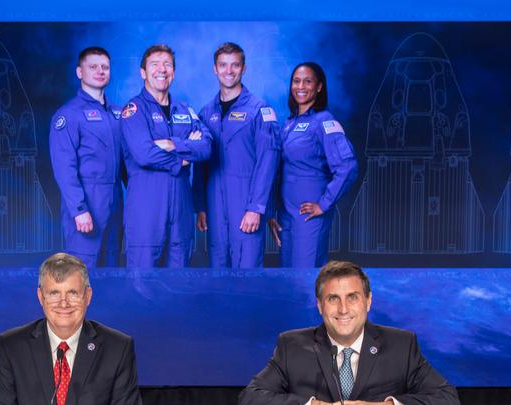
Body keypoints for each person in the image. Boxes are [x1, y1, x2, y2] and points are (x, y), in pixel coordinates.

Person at [237, 260, 459, 405]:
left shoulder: (401, 345)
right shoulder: (292, 345)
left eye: (352, 298)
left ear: (368, 301)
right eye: (333, 299)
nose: (343, 309)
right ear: (320, 305)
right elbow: (250, 400)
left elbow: (447, 400)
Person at [0, 252, 142, 405]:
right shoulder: (12, 347)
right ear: (41, 297)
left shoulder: (117, 348)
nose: (63, 303)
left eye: (72, 293)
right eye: (54, 293)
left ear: (88, 296)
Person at [120, 44, 212, 268]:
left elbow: (206, 146)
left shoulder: (185, 110)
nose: (162, 69)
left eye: (167, 65)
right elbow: (143, 154)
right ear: (143, 72)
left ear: (173, 72)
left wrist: (172, 144)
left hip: (180, 208)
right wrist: (181, 159)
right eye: (154, 64)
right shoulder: (133, 110)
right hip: (146, 209)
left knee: (178, 285)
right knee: (143, 284)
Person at [192, 42, 279, 268]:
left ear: (244, 68)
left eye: (235, 65)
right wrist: (200, 206)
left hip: (245, 203)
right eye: (223, 65)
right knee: (218, 268)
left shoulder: (260, 110)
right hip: (214, 205)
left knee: (247, 271)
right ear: (215, 69)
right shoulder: (205, 112)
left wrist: (256, 208)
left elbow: (267, 162)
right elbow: (200, 165)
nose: (229, 71)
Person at [269, 62, 357, 268]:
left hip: (308, 215)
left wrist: (324, 203)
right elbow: (278, 170)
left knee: (306, 278)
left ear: (319, 87)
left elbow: (348, 166)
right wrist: (272, 212)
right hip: (286, 214)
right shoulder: (289, 124)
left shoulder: (324, 121)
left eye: (307, 81)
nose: (301, 86)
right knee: (289, 278)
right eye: (296, 81)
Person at [49, 46, 123, 267]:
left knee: (112, 268)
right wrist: (79, 209)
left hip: (116, 201)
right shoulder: (68, 115)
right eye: (93, 67)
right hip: (87, 200)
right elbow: (64, 169)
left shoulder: (118, 113)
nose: (100, 71)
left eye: (105, 67)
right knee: (82, 271)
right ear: (79, 72)